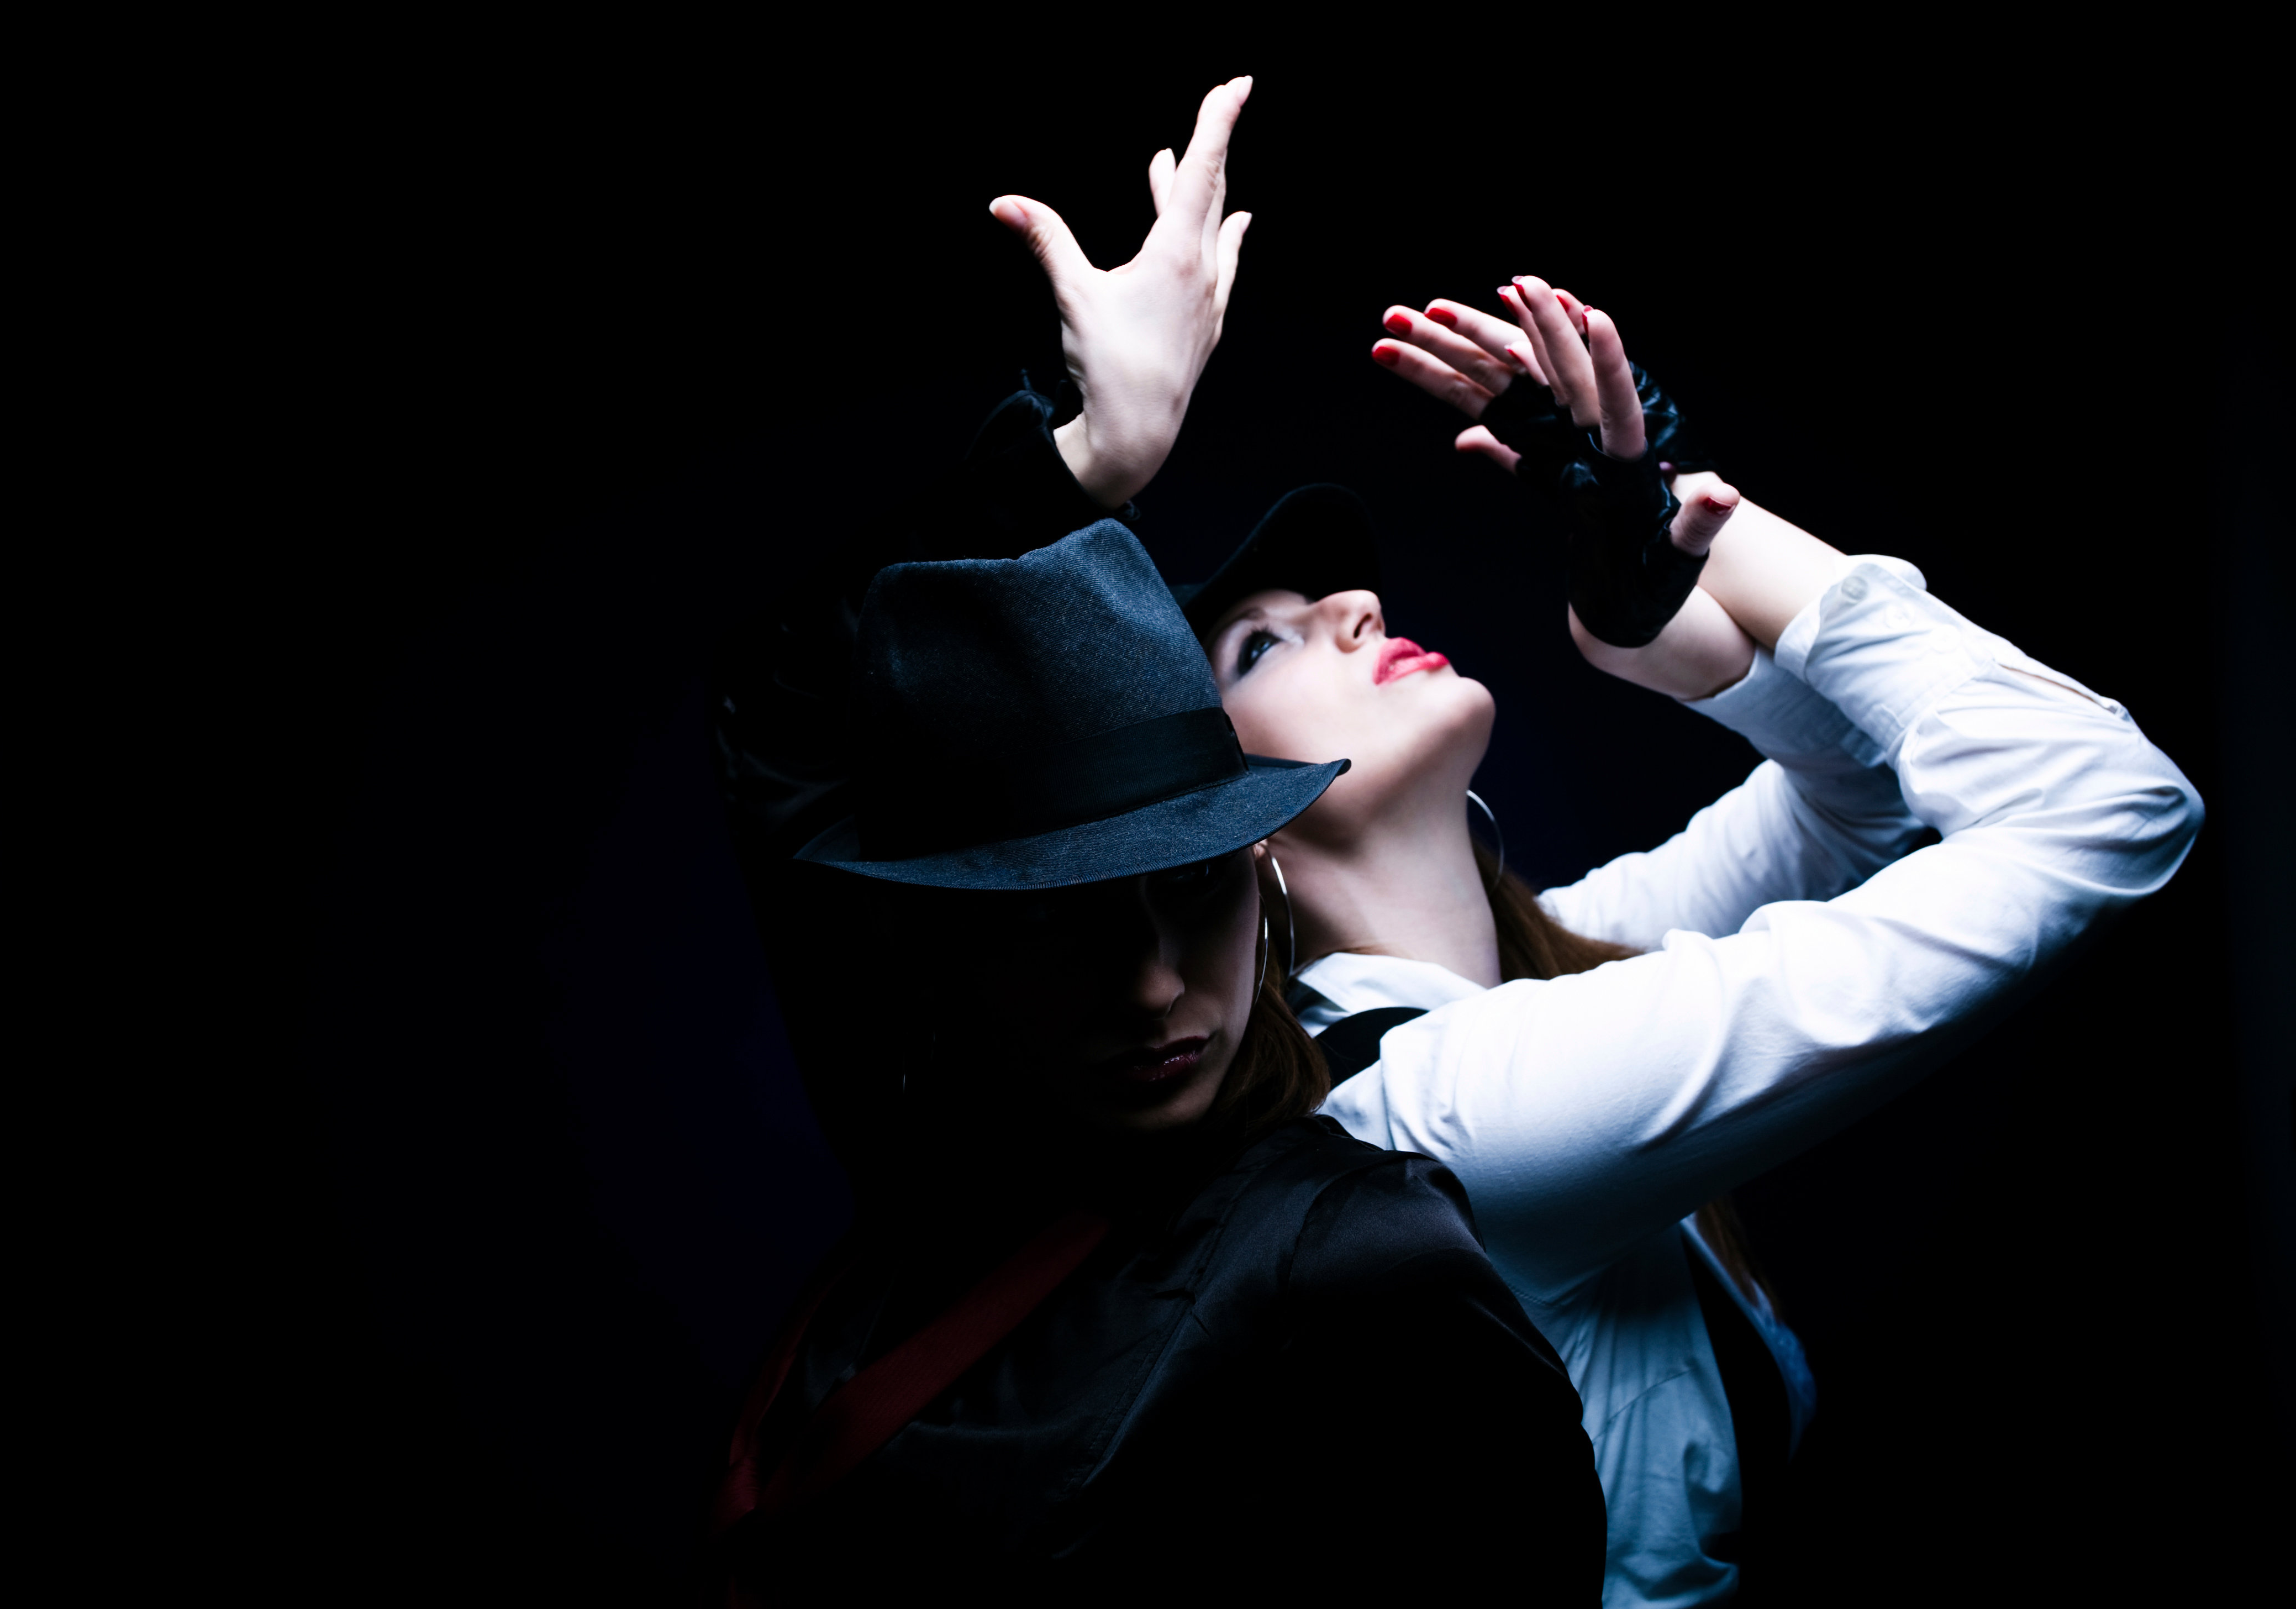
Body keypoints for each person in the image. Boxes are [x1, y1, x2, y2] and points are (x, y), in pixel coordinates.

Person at [1151, 280, 2203, 1605]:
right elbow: (2107, 801)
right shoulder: (1454, 1109)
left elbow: (1859, 796)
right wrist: (1708, 521)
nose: (1356, 601)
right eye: (1260, 647)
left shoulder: (1543, 966)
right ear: (1226, 823)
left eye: (1325, 597)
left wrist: (1659, 622)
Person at [707, 80, 1605, 1603]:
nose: (1147, 988)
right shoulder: (940, 1115)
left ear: (1259, 875)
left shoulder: (1353, 1257)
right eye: (1055, 919)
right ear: (952, 942)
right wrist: (1084, 458)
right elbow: (779, 704)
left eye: (1187, 893)